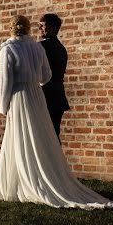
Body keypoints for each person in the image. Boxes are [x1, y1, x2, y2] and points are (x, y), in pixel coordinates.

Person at [0, 15, 113, 209]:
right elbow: (47, 76)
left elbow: (5, 81)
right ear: (27, 28)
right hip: (37, 97)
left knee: (21, 137)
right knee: (43, 138)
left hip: (19, 97)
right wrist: (36, 83)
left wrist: (3, 105)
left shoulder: (8, 49)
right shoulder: (38, 47)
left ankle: (23, 181)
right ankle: (46, 177)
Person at [38, 13, 70, 142]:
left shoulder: (41, 47)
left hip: (45, 98)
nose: (39, 29)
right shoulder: (62, 48)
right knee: (54, 136)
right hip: (58, 99)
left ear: (53, 28)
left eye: (42, 26)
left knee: (42, 138)